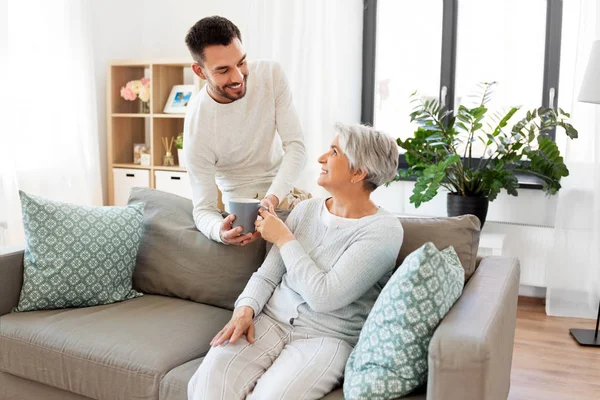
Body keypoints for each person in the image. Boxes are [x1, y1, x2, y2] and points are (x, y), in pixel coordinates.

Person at [188, 123, 404, 400]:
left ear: (359, 173)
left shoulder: (383, 231)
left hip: (328, 338)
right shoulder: (305, 210)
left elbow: (324, 297)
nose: (321, 158)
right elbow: (267, 276)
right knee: (208, 383)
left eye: (334, 152)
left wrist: (284, 239)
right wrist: (244, 310)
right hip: (268, 323)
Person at [183, 16, 306, 246]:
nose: (238, 77)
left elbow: (296, 148)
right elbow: (203, 209)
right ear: (200, 72)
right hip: (244, 216)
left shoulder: (271, 75)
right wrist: (219, 231)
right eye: (223, 70)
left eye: (241, 62)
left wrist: (272, 197)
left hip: (285, 198)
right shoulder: (197, 123)